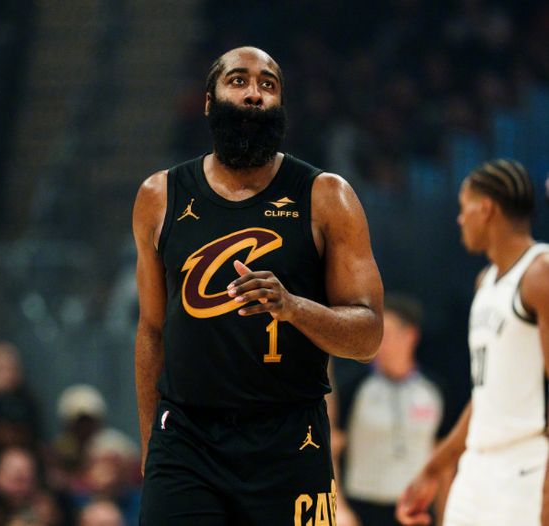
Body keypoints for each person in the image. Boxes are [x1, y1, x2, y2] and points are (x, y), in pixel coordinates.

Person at [133, 46, 384, 525]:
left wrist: (293, 307)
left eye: (268, 85)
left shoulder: (327, 196)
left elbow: (368, 337)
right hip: (187, 441)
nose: (254, 93)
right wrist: (152, 445)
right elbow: (151, 331)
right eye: (238, 80)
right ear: (209, 102)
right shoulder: (158, 196)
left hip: (290, 438)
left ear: (280, 105)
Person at [396, 159, 549, 525]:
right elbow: (485, 399)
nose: (460, 219)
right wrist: (434, 469)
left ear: (486, 209)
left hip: (524, 466)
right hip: (476, 468)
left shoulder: (539, 273)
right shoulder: (485, 282)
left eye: (464, 208)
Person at [333, 294, 451, 526]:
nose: (380, 343)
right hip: (362, 510)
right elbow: (331, 450)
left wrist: (444, 515)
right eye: (375, 335)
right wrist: (340, 507)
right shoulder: (355, 387)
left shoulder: (434, 390)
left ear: (411, 335)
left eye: (386, 335)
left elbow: (444, 462)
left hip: (416, 509)